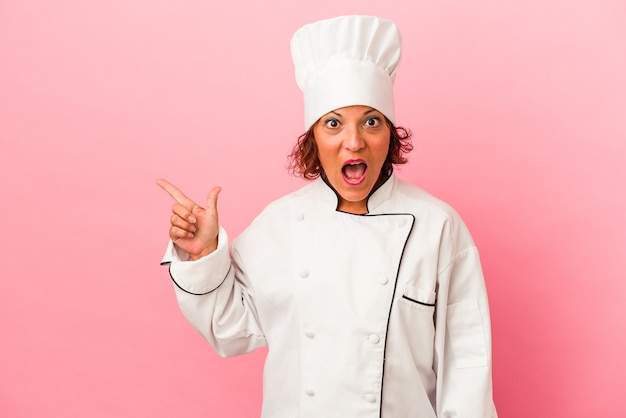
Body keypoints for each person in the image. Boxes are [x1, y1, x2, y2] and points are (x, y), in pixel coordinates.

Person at [158, 15, 497, 418]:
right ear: (313, 138)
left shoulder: (437, 227)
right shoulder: (280, 224)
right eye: (333, 124)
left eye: (371, 121)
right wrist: (203, 256)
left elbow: (467, 368)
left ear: (390, 132)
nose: (353, 142)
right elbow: (230, 330)